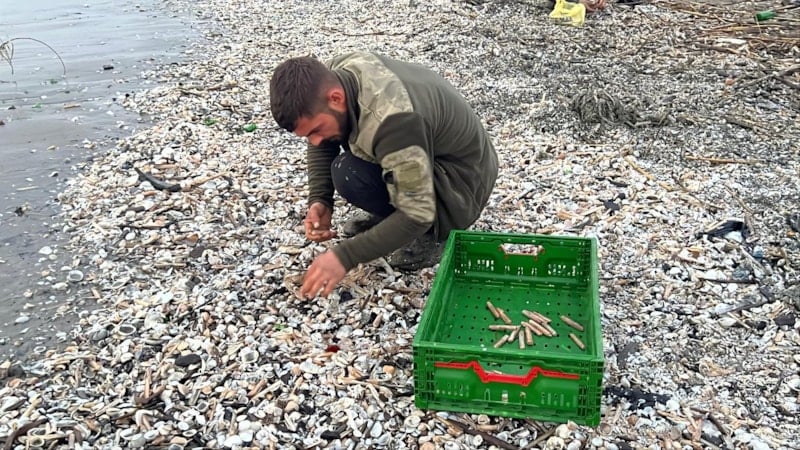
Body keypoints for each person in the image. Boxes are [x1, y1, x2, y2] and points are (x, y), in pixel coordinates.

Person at [269, 51, 498, 299]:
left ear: (335, 98)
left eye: (315, 130)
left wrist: (344, 257)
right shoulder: (336, 76)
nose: (314, 142)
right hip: (425, 156)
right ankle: (391, 222)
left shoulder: (394, 120)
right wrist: (320, 199)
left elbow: (417, 212)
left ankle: (434, 236)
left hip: (461, 186)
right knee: (346, 169)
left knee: (355, 177)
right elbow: (320, 142)